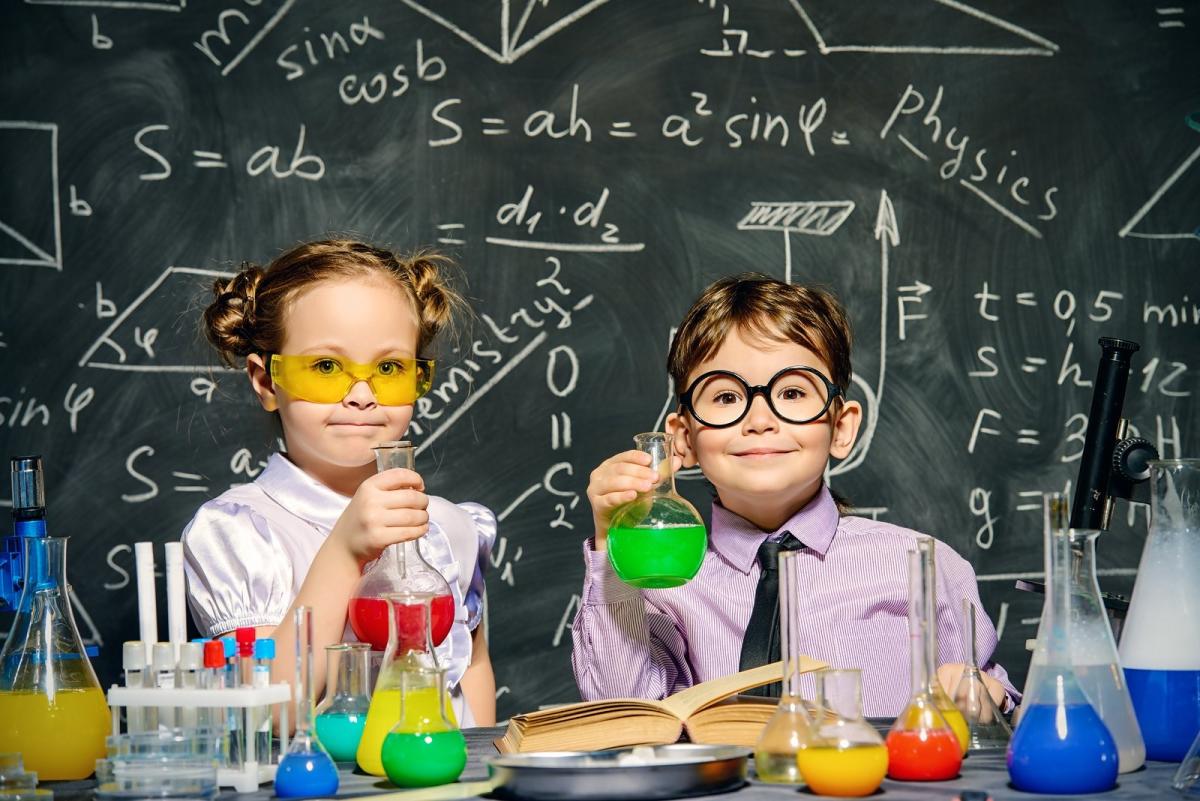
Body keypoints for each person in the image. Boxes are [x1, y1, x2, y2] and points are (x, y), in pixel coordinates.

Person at [571, 273, 1016, 716]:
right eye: (726, 397)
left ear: (841, 427)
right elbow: (624, 714)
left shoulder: (924, 566)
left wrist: (984, 701)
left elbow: (993, 702)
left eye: (792, 392)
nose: (760, 419)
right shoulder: (660, 582)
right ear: (682, 439)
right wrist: (612, 543)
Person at [182, 239, 496, 726]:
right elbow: (266, 715)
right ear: (266, 382)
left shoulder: (449, 527)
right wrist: (346, 550)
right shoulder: (239, 534)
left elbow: (469, 669)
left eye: (389, 368)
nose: (363, 396)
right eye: (326, 367)